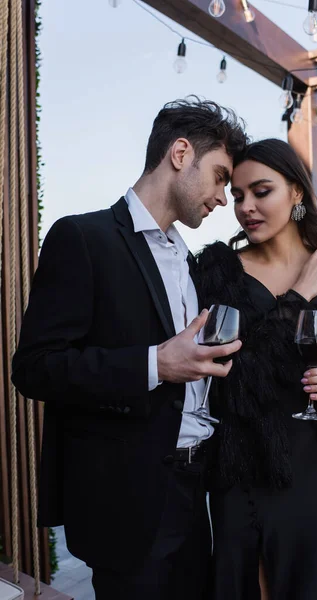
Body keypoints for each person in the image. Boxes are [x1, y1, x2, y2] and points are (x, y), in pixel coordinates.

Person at [11, 97, 248, 600]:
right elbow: (34, 368)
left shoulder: (193, 263)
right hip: (127, 504)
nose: (224, 198)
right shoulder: (82, 237)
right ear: (180, 153)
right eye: (220, 177)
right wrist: (155, 364)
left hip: (197, 490)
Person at [197, 138, 317, 600]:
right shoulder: (217, 273)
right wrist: (297, 297)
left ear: (296, 192)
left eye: (262, 192)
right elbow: (229, 382)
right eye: (237, 195)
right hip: (243, 470)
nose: (246, 207)